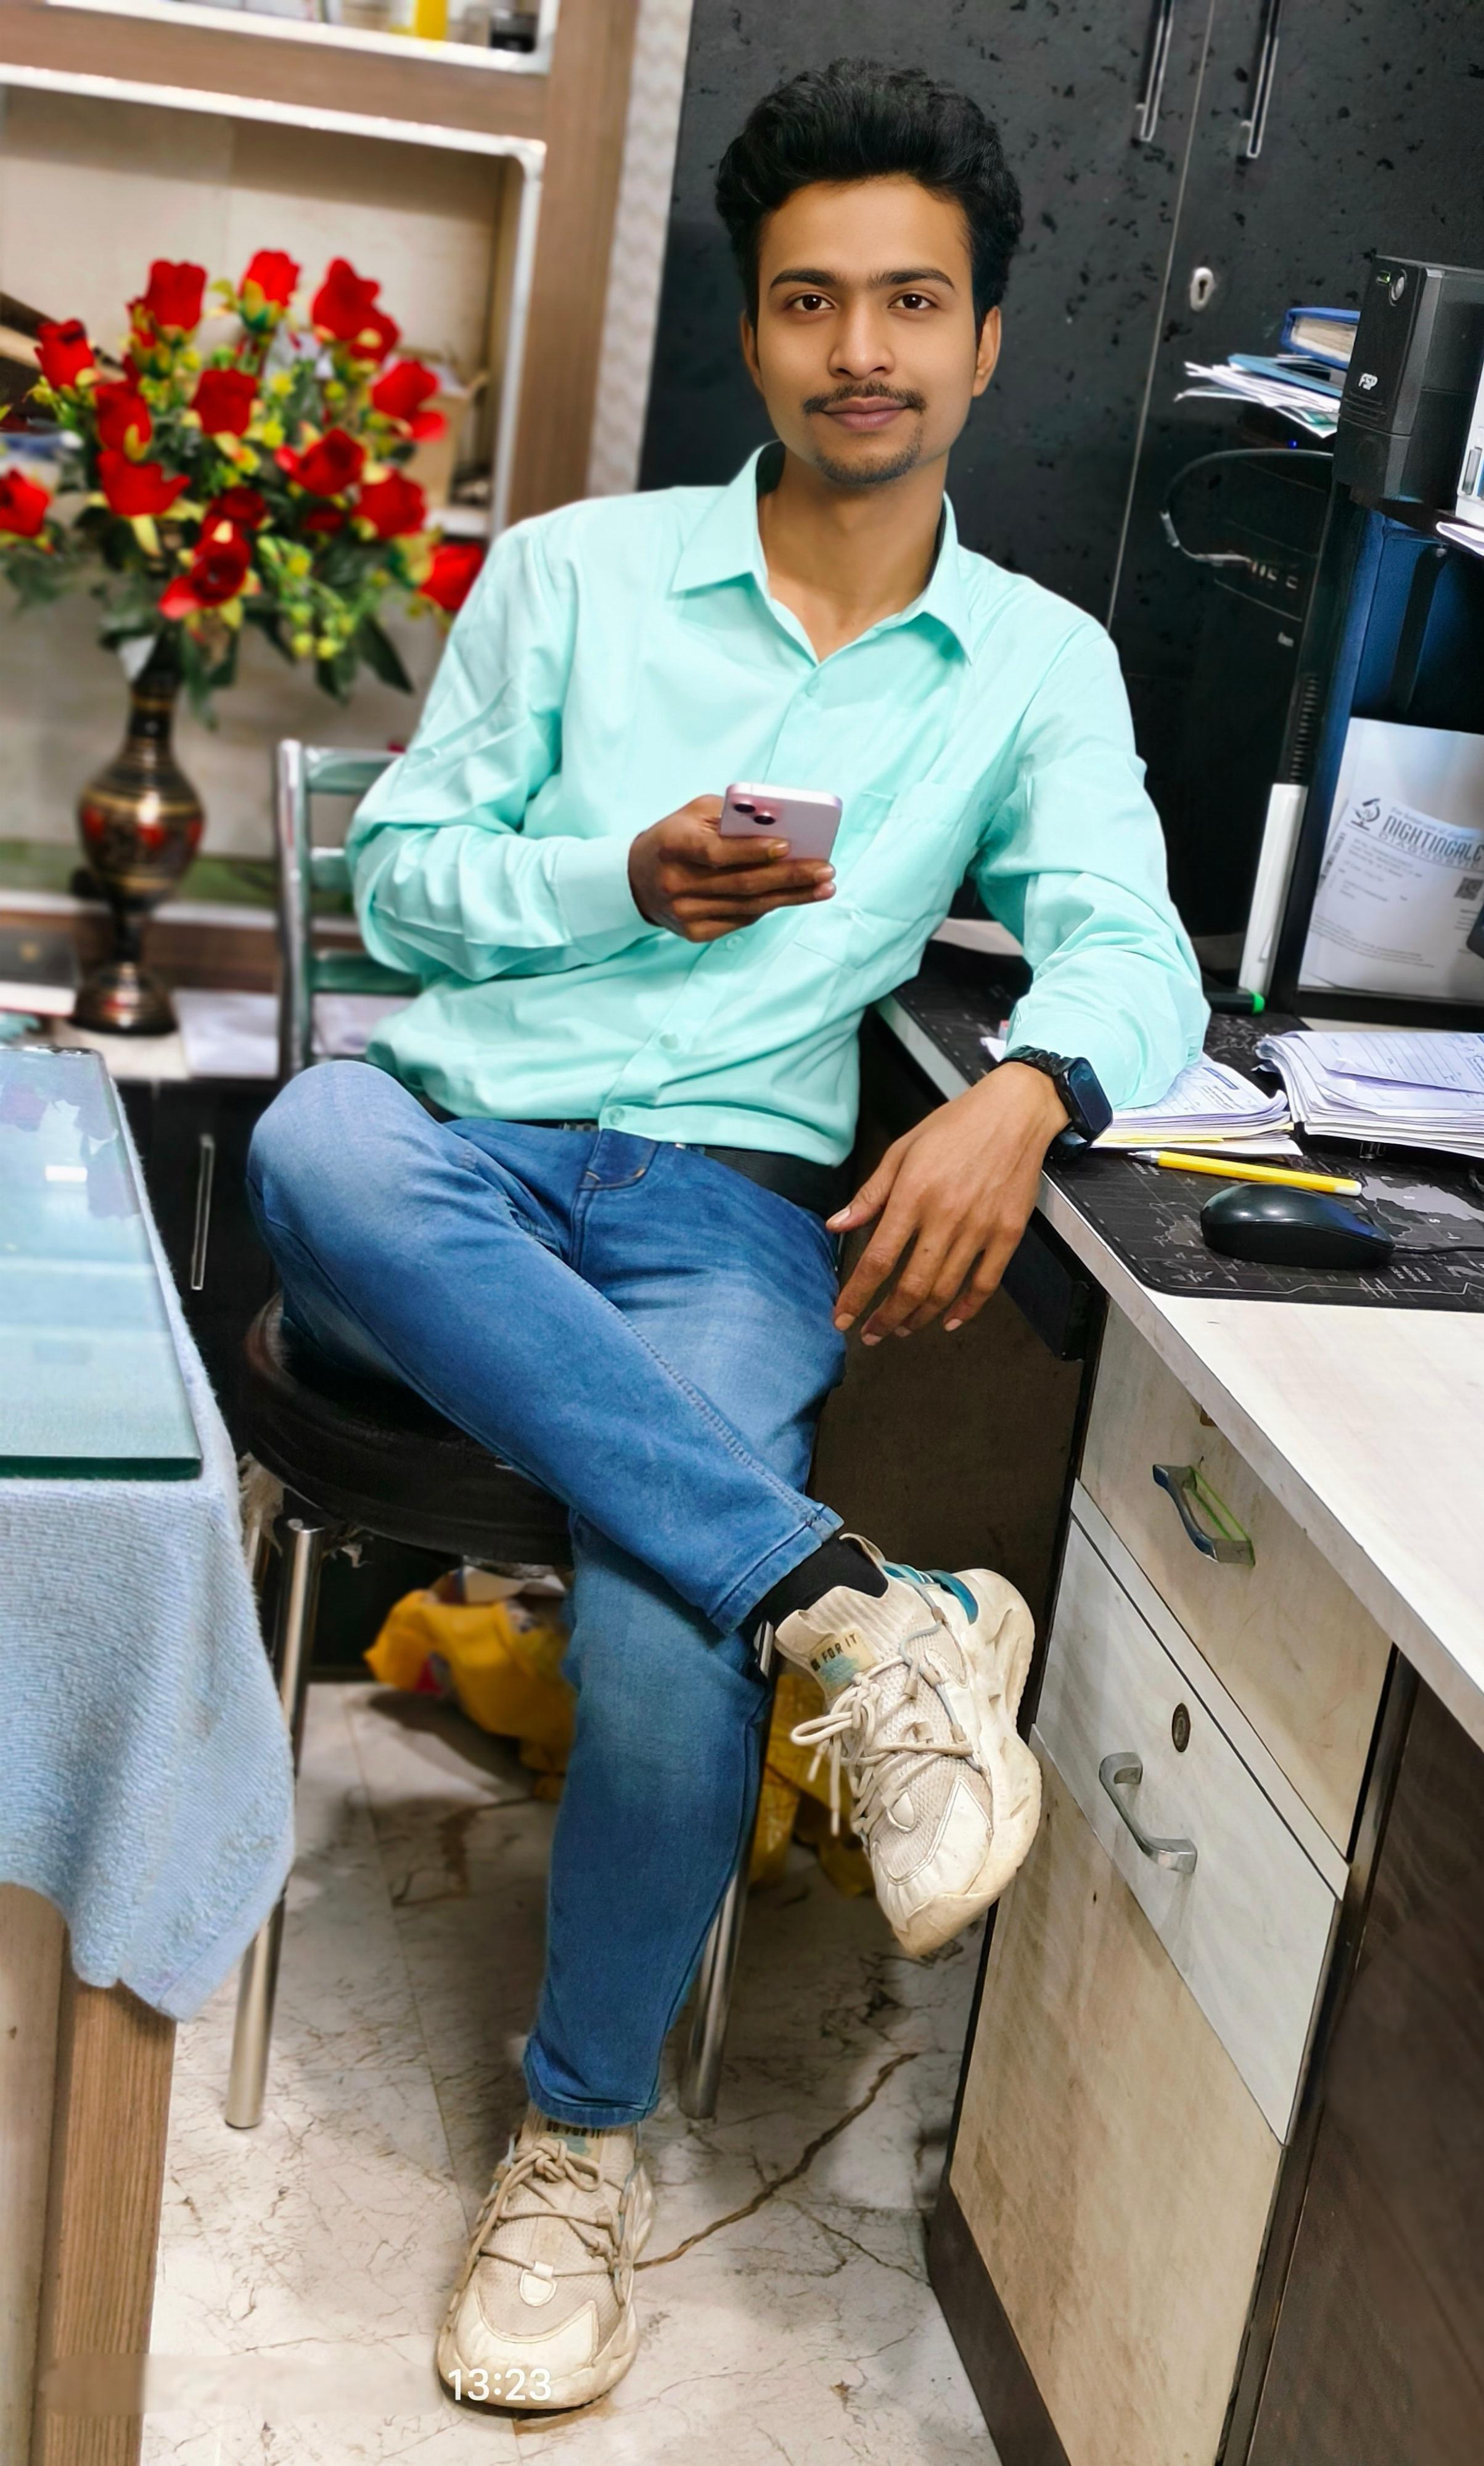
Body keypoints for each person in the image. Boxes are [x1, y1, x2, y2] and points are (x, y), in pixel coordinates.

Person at [247, 55, 1205, 2414]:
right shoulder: (576, 575)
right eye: (809, 300)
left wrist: (1029, 1088)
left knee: (676, 1631)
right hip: (458, 1163)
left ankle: (575, 2148)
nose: (860, 347)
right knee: (312, 1139)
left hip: (728, 1218)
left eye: (912, 301)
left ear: (985, 339)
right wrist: (617, 875)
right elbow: (400, 882)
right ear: (754, 330)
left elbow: (1133, 946)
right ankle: (867, 1620)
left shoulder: (1035, 667)